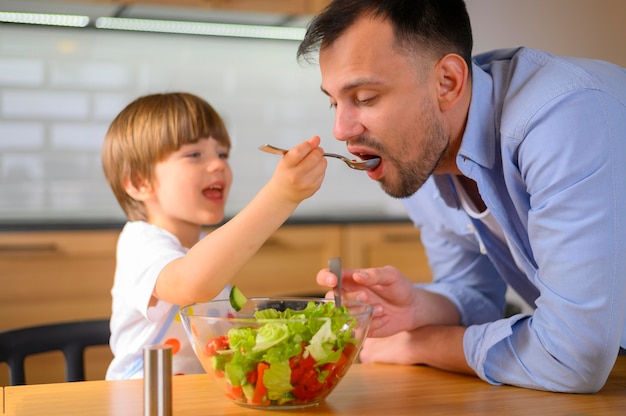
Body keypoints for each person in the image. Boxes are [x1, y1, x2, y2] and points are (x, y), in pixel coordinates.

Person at [298, 0, 626, 393]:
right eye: (334, 102)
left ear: (447, 83)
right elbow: (475, 294)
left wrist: (420, 344)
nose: (340, 129)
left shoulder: (561, 118)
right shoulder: (420, 156)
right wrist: (417, 307)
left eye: (365, 98)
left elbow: (573, 357)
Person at [101, 92, 326, 379]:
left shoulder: (206, 248)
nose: (218, 164)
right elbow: (192, 283)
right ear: (139, 182)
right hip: (143, 400)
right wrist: (280, 196)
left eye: (222, 154)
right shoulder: (140, 243)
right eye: (194, 155)